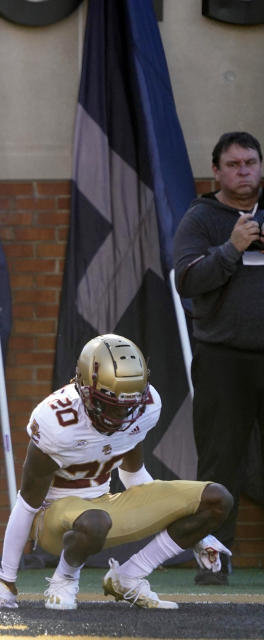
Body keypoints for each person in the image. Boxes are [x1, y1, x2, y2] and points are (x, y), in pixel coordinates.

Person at [0, 334, 233, 610]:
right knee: (95, 521)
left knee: (216, 500)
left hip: (104, 509)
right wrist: (7, 582)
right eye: (110, 404)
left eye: (127, 406)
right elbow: (27, 504)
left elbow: (133, 477)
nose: (120, 416)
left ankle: (129, 577)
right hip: (56, 518)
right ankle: (64, 578)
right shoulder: (55, 421)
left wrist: (198, 535)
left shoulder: (146, 407)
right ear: (84, 387)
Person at [172, 130, 264, 586]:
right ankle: (213, 565)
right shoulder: (201, 218)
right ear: (217, 171)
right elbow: (187, 280)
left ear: (260, 167)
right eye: (233, 164)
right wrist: (232, 247)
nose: (243, 171)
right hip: (223, 358)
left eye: (250, 162)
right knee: (219, 466)